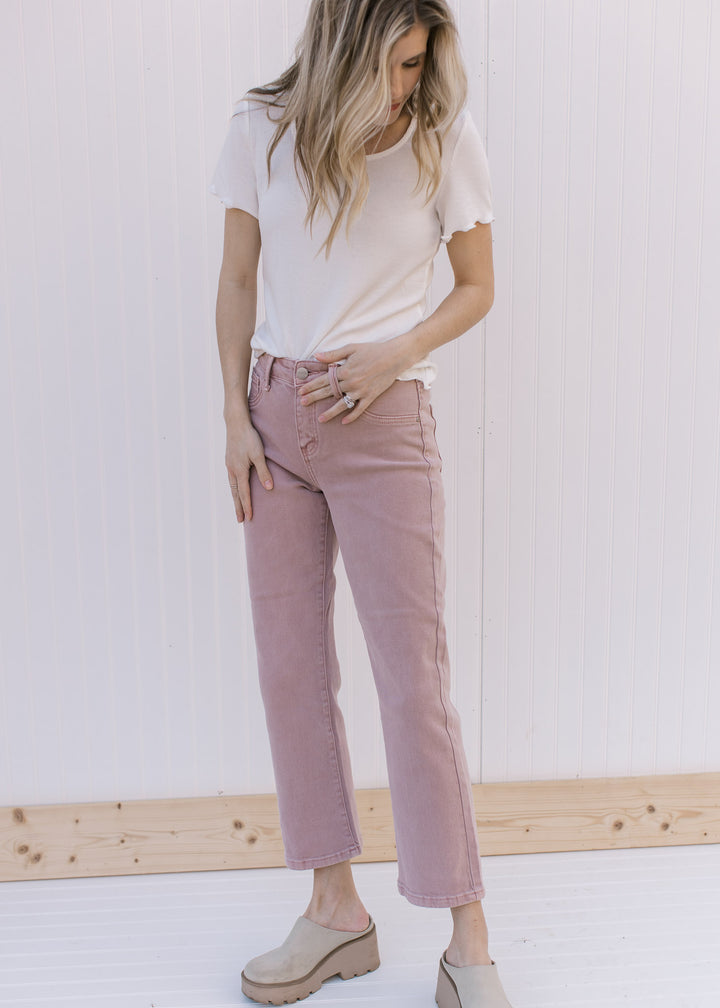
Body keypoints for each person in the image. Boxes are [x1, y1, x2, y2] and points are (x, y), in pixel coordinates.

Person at [209, 1, 513, 1005]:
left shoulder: (439, 134)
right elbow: (239, 278)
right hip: (275, 421)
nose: (405, 86)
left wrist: (399, 351)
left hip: (386, 427)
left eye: (419, 64)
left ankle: (468, 938)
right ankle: (335, 909)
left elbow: (477, 285)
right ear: (342, 50)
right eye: (392, 64)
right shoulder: (260, 128)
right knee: (291, 677)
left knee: (413, 686)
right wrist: (233, 418)